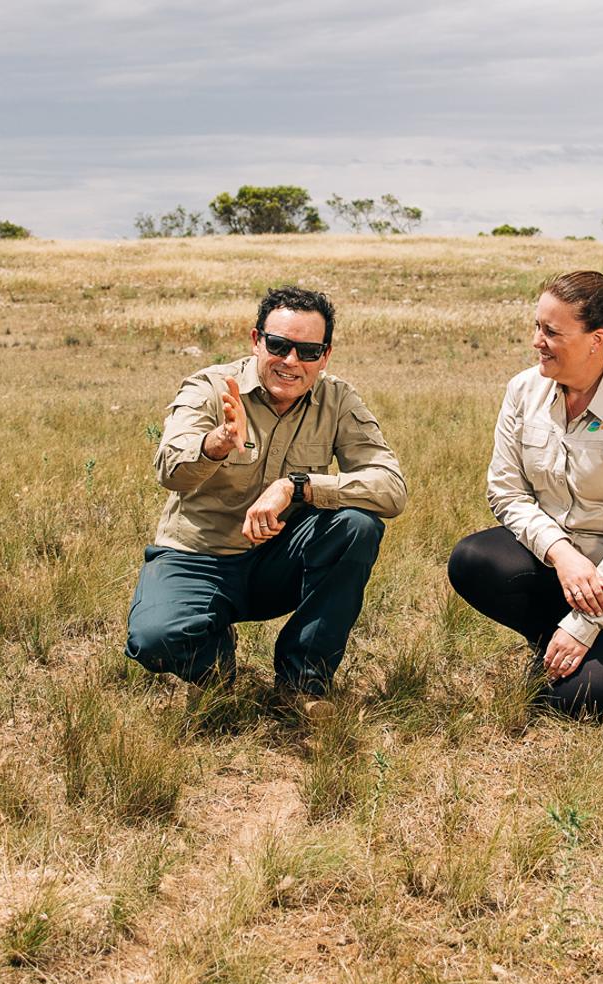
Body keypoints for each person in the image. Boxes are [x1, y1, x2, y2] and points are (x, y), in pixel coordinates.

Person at [125, 286, 406, 711]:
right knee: (153, 640)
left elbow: (390, 487)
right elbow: (169, 470)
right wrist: (217, 443)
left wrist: (298, 486)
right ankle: (213, 659)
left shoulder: (338, 400)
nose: (291, 361)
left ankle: (301, 683)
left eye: (308, 351)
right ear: (256, 340)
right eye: (279, 345)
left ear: (325, 356)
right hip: (198, 557)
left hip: (280, 558)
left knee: (357, 526)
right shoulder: (211, 388)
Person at [446, 270, 603, 720]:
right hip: (573, 565)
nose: (536, 341)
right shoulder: (523, 390)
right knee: (471, 560)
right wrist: (561, 553)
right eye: (536, 327)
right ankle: (555, 642)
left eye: (551, 331)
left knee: (578, 704)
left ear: (595, 340)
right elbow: (505, 491)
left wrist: (586, 625)